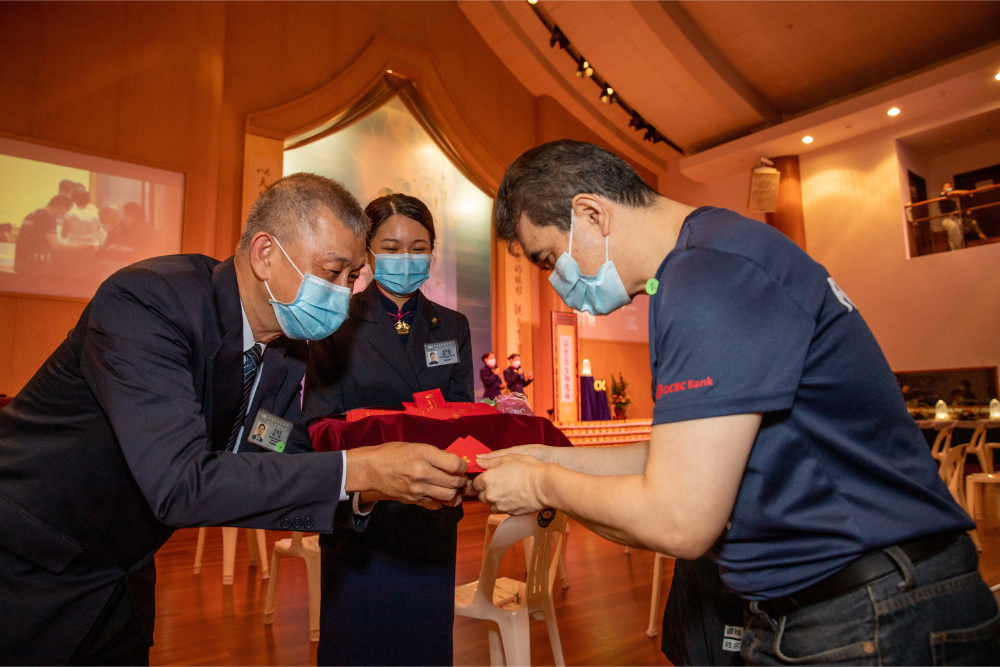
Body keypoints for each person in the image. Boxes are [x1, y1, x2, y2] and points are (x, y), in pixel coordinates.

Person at [475, 140, 999, 665]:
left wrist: (540, 484)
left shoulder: (708, 278)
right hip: (858, 599)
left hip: (868, 608)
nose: (558, 284)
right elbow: (682, 458)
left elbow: (678, 519)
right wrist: (543, 458)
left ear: (592, 213)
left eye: (550, 260)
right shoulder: (710, 257)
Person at [0, 174, 469, 666]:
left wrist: (383, 485)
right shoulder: (147, 302)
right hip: (27, 559)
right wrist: (365, 470)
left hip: (121, 569)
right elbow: (181, 482)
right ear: (265, 254)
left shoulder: (285, 348)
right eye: (332, 272)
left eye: (352, 277)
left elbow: (283, 458)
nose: (343, 292)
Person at [303, 192, 474, 666]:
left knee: (425, 650)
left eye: (419, 247)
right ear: (368, 250)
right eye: (393, 247)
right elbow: (320, 424)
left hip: (431, 519)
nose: (407, 258)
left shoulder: (452, 325)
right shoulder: (335, 323)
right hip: (362, 523)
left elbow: (462, 414)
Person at [13, 195, 73, 276]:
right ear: (61, 207)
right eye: (64, 212)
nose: (62, 215)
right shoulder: (48, 218)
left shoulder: (31, 215)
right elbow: (54, 244)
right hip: (36, 265)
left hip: (22, 263)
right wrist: (78, 247)